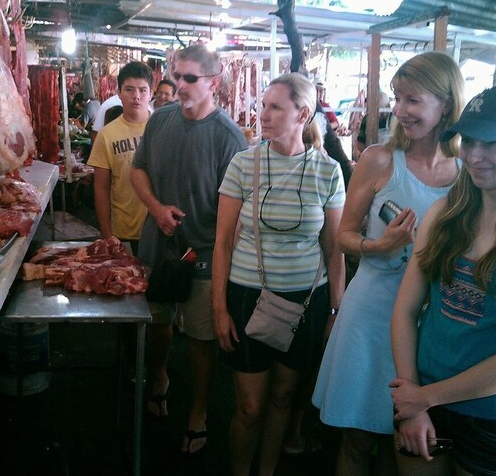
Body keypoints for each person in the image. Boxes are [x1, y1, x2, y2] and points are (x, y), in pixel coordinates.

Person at [312, 52, 464, 475]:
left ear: (446, 104)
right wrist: (381, 246)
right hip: (372, 313)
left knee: (410, 449)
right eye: (397, 99)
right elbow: (342, 236)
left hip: (433, 323)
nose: (400, 111)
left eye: (413, 100)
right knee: (358, 439)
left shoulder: (468, 172)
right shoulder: (379, 159)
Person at [390, 84, 496, 476]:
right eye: (468, 140)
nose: (473, 155)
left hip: (495, 417)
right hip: (424, 398)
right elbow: (405, 310)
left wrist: (421, 398)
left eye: (490, 143)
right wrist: (410, 396)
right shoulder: (445, 214)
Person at [212, 73, 345, 476]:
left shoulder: (328, 172)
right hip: (248, 296)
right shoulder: (244, 163)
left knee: (284, 398)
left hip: (307, 300)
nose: (262, 114)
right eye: (263, 105)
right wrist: (219, 307)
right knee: (250, 406)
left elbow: (334, 250)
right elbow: (222, 243)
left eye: (274, 107)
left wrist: (335, 313)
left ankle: (267, 470)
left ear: (302, 114)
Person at [131, 44, 246, 454]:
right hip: (158, 248)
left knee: (200, 338)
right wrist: (156, 208)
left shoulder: (229, 138)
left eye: (189, 78)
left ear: (213, 83)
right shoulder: (159, 119)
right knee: (158, 321)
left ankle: (198, 411)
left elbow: (235, 214)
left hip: (202, 255)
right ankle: (159, 376)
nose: (179, 84)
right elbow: (138, 169)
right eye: (176, 75)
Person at [87, 61, 153, 252]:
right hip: (121, 232)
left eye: (142, 90)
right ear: (119, 93)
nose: (136, 96)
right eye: (129, 89)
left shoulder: (161, 130)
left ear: (151, 93)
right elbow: (101, 188)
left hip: (157, 229)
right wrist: (107, 235)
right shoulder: (106, 135)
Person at [354, 89, 392, 159]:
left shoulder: (394, 118)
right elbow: (360, 143)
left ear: (387, 107)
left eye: (381, 110)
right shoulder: (367, 119)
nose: (380, 114)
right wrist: (371, 155)